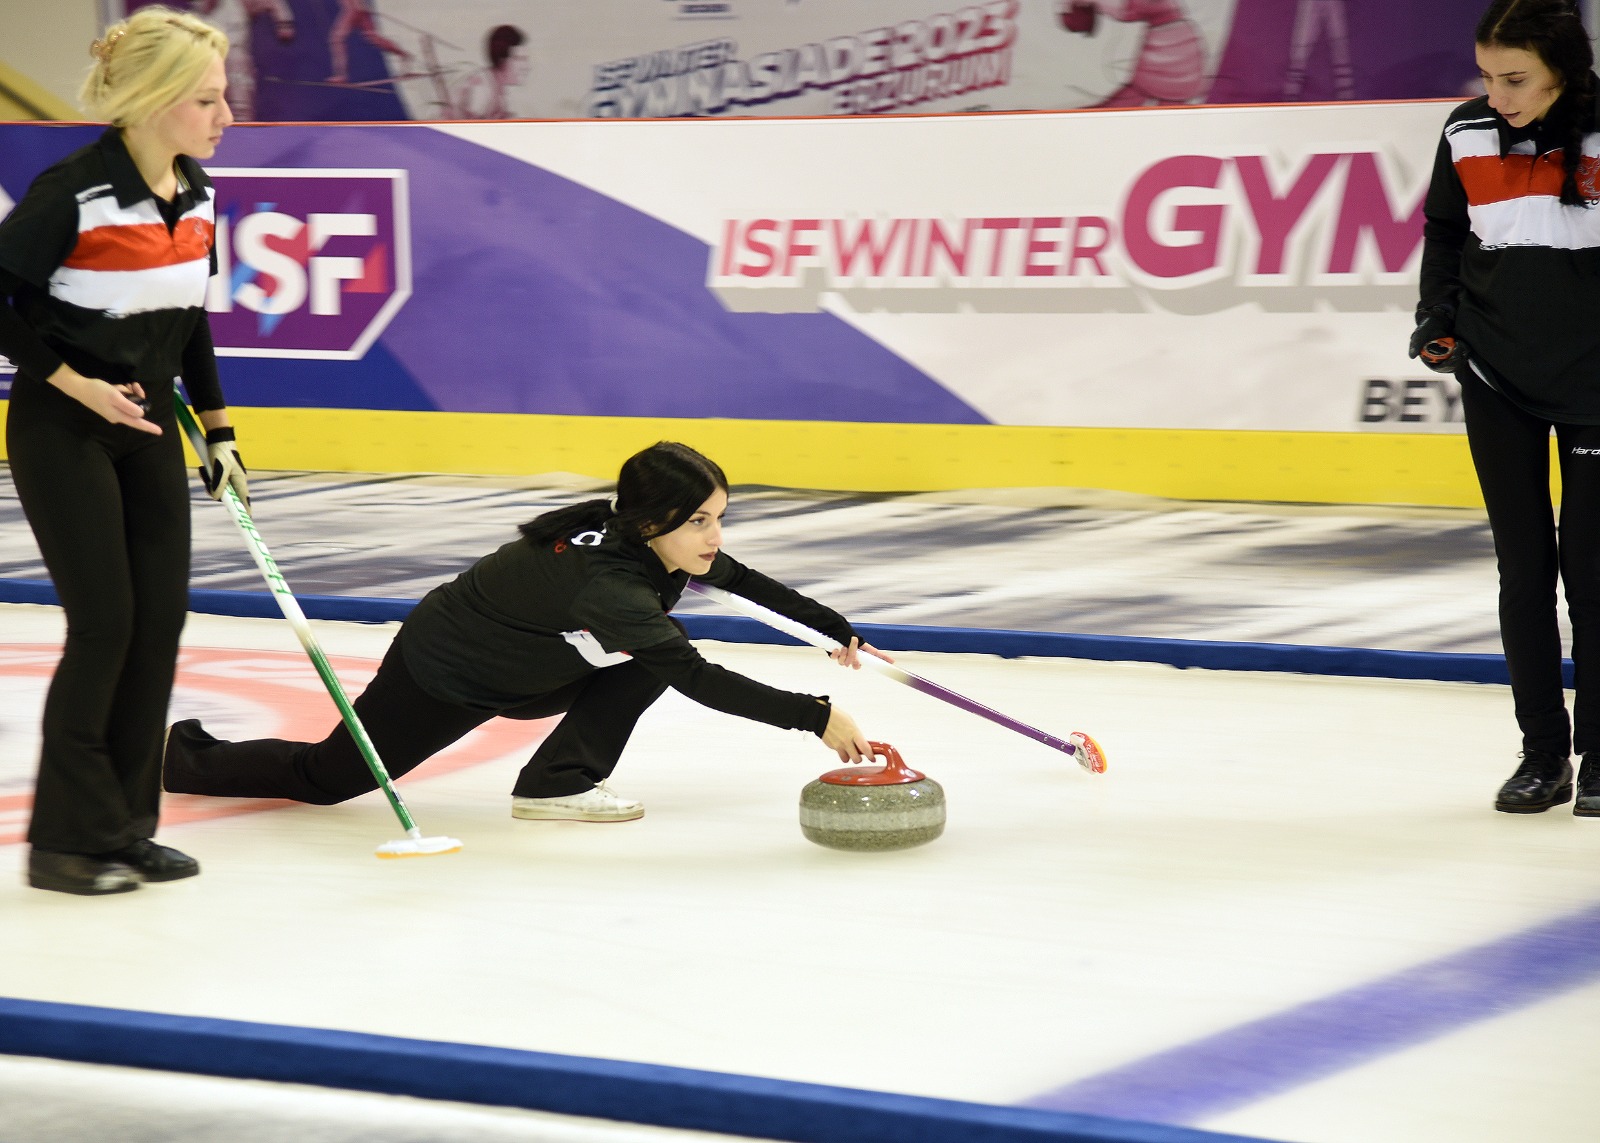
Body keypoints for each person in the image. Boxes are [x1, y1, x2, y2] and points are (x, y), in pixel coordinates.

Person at [163, 442, 882, 821]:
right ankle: (181, 758)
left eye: (719, 517)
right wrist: (814, 715)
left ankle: (556, 783)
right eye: (700, 521)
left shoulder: (652, 542)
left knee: (649, 655)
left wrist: (831, 630)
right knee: (329, 780)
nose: (714, 536)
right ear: (652, 521)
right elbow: (696, 679)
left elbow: (741, 579)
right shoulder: (612, 584)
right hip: (448, 672)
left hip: (537, 665)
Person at [0, 6, 249, 894]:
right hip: (63, 429)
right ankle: (66, 842)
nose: (226, 117)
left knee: (158, 625)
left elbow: (189, 319)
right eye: (207, 100)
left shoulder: (197, 192)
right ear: (150, 100)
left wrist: (219, 431)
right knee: (105, 624)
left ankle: (126, 827)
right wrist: (73, 382)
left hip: (148, 435)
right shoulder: (73, 191)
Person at [1411, 0, 1600, 817]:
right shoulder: (1466, 132)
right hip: (1496, 376)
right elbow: (1444, 233)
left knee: (1592, 571)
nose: (1497, 96)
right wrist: (1437, 319)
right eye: (1487, 77)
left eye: (1515, 79)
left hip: (1596, 385)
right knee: (1524, 571)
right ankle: (1542, 754)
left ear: (1563, 68)